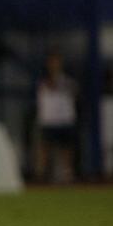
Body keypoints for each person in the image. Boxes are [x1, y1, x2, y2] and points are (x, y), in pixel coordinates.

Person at [35, 53, 78, 183]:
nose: (55, 64)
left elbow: (75, 92)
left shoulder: (68, 80)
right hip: (49, 120)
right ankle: (41, 175)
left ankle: (67, 174)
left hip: (65, 119)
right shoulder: (43, 80)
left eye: (57, 61)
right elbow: (46, 89)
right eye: (52, 61)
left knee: (66, 149)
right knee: (45, 148)